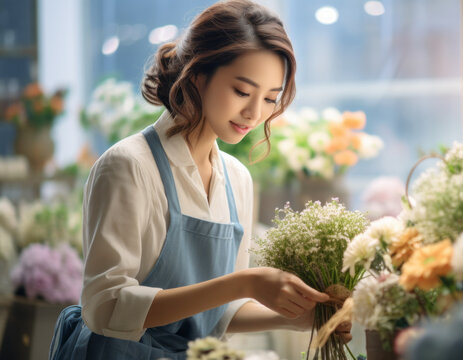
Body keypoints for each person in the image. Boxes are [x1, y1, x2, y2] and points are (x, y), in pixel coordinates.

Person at [49, 1, 350, 359]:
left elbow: (217, 312)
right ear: (196, 75)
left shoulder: (237, 179)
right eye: (242, 91)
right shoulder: (128, 166)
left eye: (270, 98)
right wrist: (246, 283)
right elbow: (105, 308)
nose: (255, 113)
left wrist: (301, 319)